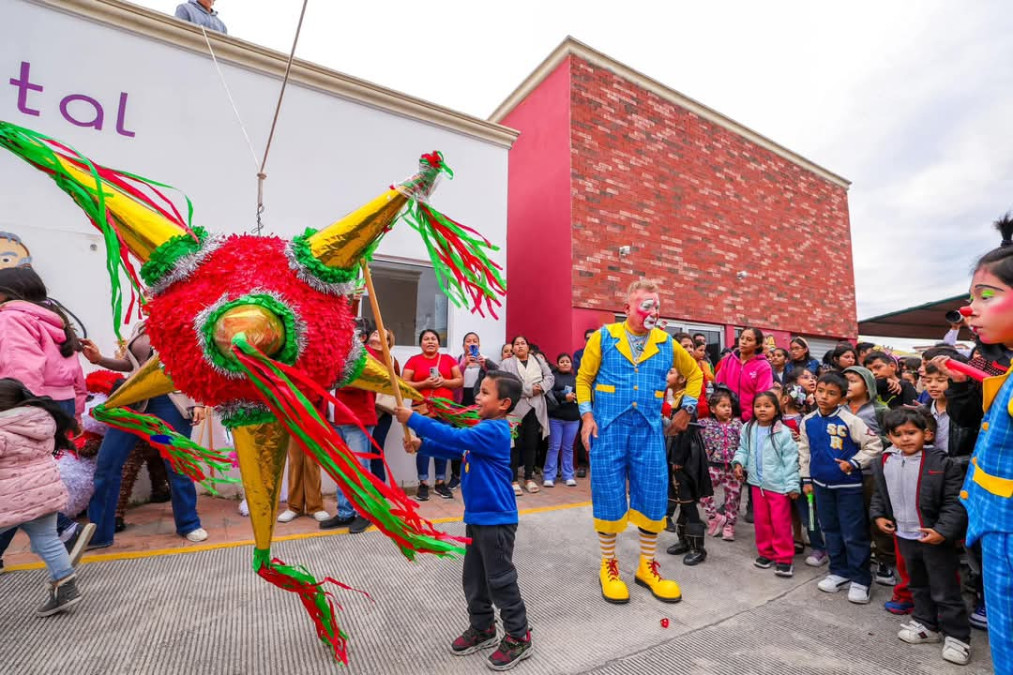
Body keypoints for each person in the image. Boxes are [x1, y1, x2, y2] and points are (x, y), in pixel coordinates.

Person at [576, 279, 702, 604]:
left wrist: (687, 408)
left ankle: (647, 566)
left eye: (656, 306)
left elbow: (696, 374)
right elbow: (584, 378)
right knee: (608, 493)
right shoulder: (605, 337)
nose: (653, 311)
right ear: (628, 308)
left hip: (649, 431)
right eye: (646, 305)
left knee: (652, 493)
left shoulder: (666, 343)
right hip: (608, 429)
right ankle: (609, 565)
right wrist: (587, 417)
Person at [397, 371, 532, 671]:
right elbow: (459, 448)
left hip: (496, 520)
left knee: (500, 580)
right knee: (474, 578)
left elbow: (456, 437)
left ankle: (519, 635)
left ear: (504, 403)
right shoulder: (485, 428)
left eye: (485, 392)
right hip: (478, 518)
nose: (477, 397)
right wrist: (422, 445)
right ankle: (483, 627)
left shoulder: (497, 429)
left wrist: (414, 419)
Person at [80, 319, 206, 548]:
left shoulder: (184, 323)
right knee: (107, 465)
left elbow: (195, 364)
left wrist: (198, 401)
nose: (148, 295)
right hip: (133, 401)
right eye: (146, 292)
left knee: (177, 466)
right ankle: (99, 534)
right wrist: (99, 360)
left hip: (170, 402)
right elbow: (132, 365)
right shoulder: (141, 326)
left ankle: (189, 523)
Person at [0, 267, 91, 562]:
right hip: (57, 407)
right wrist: (74, 414)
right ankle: (65, 531)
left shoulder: (12, 317)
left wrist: (17, 412)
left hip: (28, 406)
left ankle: (65, 530)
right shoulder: (55, 321)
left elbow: (20, 370)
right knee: (23, 479)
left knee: (14, 483)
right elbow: (77, 373)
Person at [955, 214, 1013, 672]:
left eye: (986, 296)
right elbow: (978, 409)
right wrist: (964, 381)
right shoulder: (998, 361)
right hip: (993, 522)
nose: (968, 310)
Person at [870, 408, 971, 666]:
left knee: (945, 588)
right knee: (917, 583)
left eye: (911, 433)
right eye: (898, 434)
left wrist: (942, 531)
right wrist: (879, 516)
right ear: (889, 436)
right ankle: (927, 625)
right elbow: (881, 494)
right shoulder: (885, 461)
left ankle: (958, 637)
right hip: (904, 535)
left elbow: (954, 502)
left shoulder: (941, 462)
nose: (905, 439)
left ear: (926, 434)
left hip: (933, 537)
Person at [0, 378, 84, 616]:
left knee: (45, 540)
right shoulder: (42, 421)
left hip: (8, 501)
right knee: (47, 540)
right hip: (43, 495)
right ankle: (66, 589)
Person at [799, 372, 883, 604]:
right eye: (820, 391)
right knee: (830, 529)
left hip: (849, 486)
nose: (824, 397)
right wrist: (806, 479)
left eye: (832, 393)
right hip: (820, 485)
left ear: (843, 398)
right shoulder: (808, 421)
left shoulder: (851, 421)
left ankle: (861, 579)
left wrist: (854, 462)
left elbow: (874, 445)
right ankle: (838, 572)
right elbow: (804, 451)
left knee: (853, 533)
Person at [733, 391, 800, 577]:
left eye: (767, 406)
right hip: (757, 484)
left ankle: (784, 559)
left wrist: (793, 485)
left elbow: (791, 461)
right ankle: (766, 553)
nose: (762, 409)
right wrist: (739, 463)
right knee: (762, 523)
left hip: (778, 487)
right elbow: (743, 449)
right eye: (758, 406)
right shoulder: (748, 428)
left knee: (780, 524)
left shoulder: (784, 432)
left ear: (777, 409)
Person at [402, 329, 462, 501]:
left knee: (444, 444)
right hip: (423, 411)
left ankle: (440, 482)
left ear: (438, 343)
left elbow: (459, 380)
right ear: (420, 343)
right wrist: (425, 383)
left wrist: (443, 382)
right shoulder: (414, 361)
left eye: (433, 339)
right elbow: (404, 383)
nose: (430, 341)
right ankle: (423, 483)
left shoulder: (448, 359)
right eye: (426, 339)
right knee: (422, 445)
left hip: (445, 410)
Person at [663, 368, 712, 566]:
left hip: (685, 458)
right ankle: (684, 541)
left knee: (688, 501)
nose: (667, 375)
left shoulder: (686, 403)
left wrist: (678, 460)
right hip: (676, 454)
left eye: (671, 372)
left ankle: (698, 548)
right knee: (680, 499)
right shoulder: (676, 399)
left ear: (682, 379)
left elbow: (685, 434)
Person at [779, 375, 827, 567]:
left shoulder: (804, 421)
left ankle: (819, 547)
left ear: (784, 399)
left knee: (808, 511)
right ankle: (798, 540)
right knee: (794, 510)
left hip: (802, 473)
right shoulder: (777, 420)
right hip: (784, 472)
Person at [498, 336, 554, 496]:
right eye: (517, 344)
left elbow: (550, 377)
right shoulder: (506, 363)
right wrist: (530, 390)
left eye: (523, 343)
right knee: (514, 444)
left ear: (528, 347)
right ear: (513, 348)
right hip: (514, 411)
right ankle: (514, 480)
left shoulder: (538, 360)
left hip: (535, 409)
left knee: (531, 444)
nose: (520, 346)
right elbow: (505, 384)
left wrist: (542, 387)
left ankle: (529, 478)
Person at [451, 332, 498, 490]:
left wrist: (486, 363)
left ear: (479, 345)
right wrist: (464, 364)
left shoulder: (484, 361)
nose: (472, 344)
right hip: (460, 403)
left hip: (478, 404)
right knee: (458, 438)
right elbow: (452, 377)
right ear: (463, 345)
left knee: (477, 439)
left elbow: (497, 375)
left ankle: (476, 474)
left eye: (475, 341)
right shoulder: (457, 360)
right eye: (468, 341)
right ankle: (456, 475)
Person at [697, 390, 743, 542]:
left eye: (729, 406)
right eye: (723, 406)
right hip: (712, 466)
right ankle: (714, 517)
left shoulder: (737, 424)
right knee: (704, 494)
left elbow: (744, 444)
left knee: (733, 498)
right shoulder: (705, 424)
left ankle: (729, 525)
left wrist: (741, 464)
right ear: (713, 409)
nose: (727, 409)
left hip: (733, 468)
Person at [714, 327, 774, 423]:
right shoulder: (728, 360)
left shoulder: (763, 366)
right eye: (742, 338)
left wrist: (745, 417)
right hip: (727, 417)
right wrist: (725, 412)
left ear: (758, 345)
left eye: (749, 340)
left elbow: (762, 396)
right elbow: (720, 387)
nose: (743, 342)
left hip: (752, 419)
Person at [366, 329, 399, 483]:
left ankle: (379, 491)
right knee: (361, 452)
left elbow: (398, 387)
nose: (375, 333)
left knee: (376, 451)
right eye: (374, 331)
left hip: (381, 413)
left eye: (380, 333)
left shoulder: (392, 361)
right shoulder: (362, 355)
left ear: (388, 341)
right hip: (362, 410)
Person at [544, 353, 579, 488]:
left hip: (572, 418)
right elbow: (550, 393)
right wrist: (565, 396)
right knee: (553, 447)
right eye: (562, 361)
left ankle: (568, 475)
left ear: (571, 364)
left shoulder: (576, 378)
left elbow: (582, 394)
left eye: (567, 361)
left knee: (568, 448)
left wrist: (574, 396)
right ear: (557, 364)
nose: (565, 363)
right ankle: (549, 476)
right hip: (556, 418)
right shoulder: (553, 378)